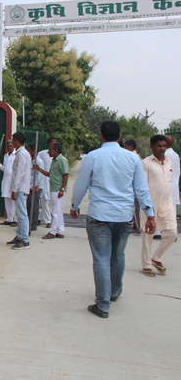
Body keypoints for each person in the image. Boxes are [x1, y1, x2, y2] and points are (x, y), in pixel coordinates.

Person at [71, 121, 155, 319]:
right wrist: (150, 214)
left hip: (99, 215)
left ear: (101, 136)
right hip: (124, 215)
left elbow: (81, 185)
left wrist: (75, 205)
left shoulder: (92, 157)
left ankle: (102, 304)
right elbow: (141, 189)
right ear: (120, 137)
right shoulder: (132, 158)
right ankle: (114, 291)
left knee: (101, 258)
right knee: (118, 254)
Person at [140, 135, 177, 277]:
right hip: (151, 204)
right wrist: (147, 206)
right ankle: (146, 266)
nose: (162, 149)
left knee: (172, 232)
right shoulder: (146, 163)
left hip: (167, 203)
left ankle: (156, 258)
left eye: (164, 146)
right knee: (148, 235)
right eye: (159, 146)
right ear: (152, 147)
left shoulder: (169, 161)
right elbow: (143, 186)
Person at [35, 142, 69, 239]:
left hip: (58, 189)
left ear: (56, 150)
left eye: (50, 150)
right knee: (58, 211)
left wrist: (62, 189)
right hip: (54, 188)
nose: (48, 152)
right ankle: (60, 231)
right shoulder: (54, 161)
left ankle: (53, 232)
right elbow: (49, 174)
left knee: (55, 212)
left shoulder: (62, 160)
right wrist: (38, 169)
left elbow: (65, 175)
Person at [7, 132, 32, 250]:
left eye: (13, 140)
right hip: (20, 188)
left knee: (22, 215)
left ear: (17, 141)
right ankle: (20, 236)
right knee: (20, 214)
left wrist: (14, 189)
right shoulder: (21, 153)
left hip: (20, 188)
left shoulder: (22, 154)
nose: (12, 142)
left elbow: (20, 173)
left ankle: (24, 240)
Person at [37, 137, 57, 228]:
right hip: (45, 179)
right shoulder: (42, 153)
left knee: (50, 201)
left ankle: (39, 218)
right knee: (46, 199)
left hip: (54, 180)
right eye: (52, 143)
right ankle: (48, 221)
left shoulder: (58, 156)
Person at [124, 139, 142, 234]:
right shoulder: (133, 156)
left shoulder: (134, 157)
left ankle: (137, 227)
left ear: (130, 146)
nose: (124, 148)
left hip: (134, 187)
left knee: (135, 208)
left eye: (126, 146)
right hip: (132, 186)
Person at [0, 140, 17, 225]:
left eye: (11, 145)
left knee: (14, 201)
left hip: (13, 180)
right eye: (8, 146)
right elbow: (4, 169)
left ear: (13, 146)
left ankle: (16, 219)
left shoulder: (16, 155)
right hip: (6, 180)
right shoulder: (5, 156)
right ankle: (9, 219)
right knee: (7, 199)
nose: (9, 147)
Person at [26, 144, 44, 232]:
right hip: (29, 186)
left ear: (33, 151)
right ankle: (28, 222)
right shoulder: (29, 160)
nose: (28, 152)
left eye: (29, 150)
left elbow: (39, 176)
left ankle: (33, 224)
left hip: (36, 186)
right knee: (29, 204)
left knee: (34, 205)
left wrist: (33, 186)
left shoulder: (39, 161)